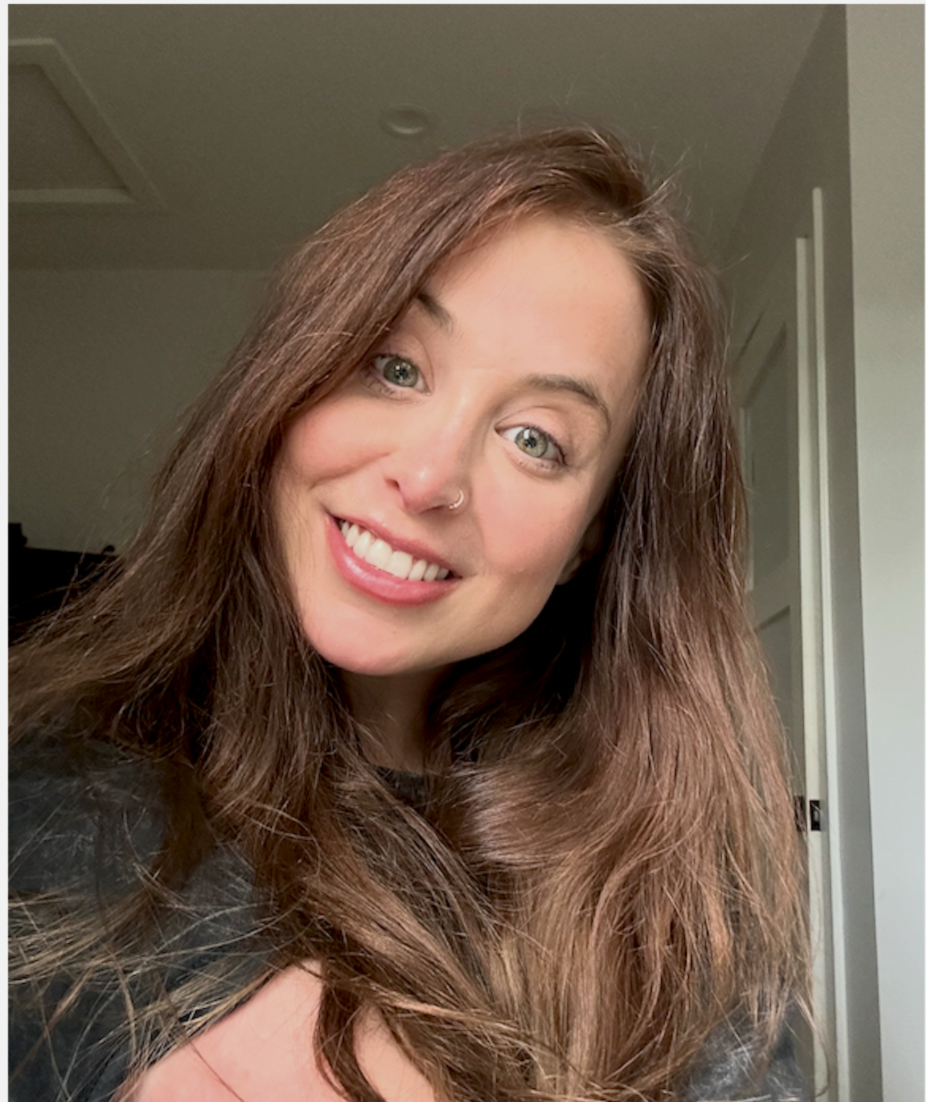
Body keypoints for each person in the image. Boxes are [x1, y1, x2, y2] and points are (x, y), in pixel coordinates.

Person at [9, 126, 808, 1102]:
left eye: (532, 438)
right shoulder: (49, 792)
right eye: (394, 367)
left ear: (590, 538)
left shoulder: (676, 911)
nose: (428, 477)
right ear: (289, 380)